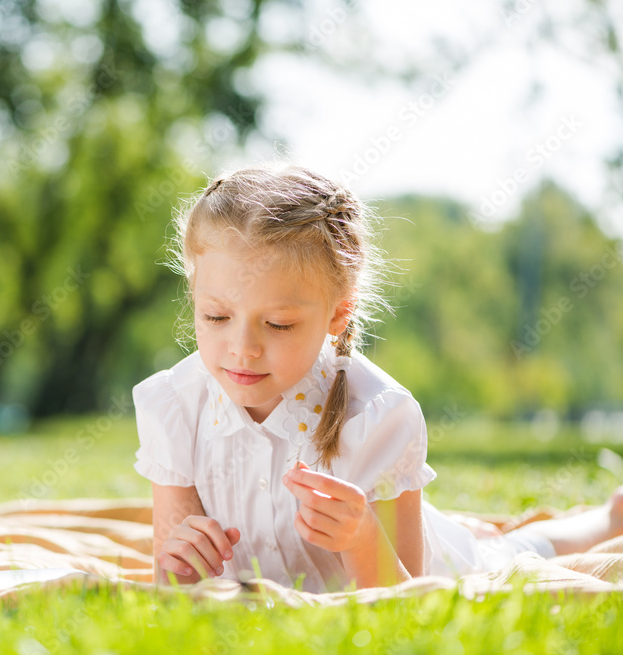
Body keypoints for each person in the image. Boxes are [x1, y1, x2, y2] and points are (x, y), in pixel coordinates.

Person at [132, 162, 623, 592]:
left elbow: (406, 597)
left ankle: (605, 519)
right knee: (487, 538)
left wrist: (364, 537)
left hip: (441, 570)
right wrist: (178, 567)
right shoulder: (174, 408)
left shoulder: (378, 415)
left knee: (511, 555)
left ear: (337, 315)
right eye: (216, 317)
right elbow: (171, 589)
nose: (242, 347)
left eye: (278, 324)